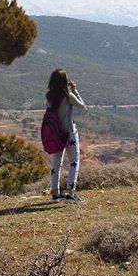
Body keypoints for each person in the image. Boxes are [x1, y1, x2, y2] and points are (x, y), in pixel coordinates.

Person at [46, 68, 86, 203]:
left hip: (56, 134)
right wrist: (74, 89)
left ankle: (55, 193)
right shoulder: (68, 96)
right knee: (74, 161)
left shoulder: (50, 96)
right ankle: (70, 192)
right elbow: (82, 105)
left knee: (56, 163)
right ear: (65, 81)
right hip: (69, 133)